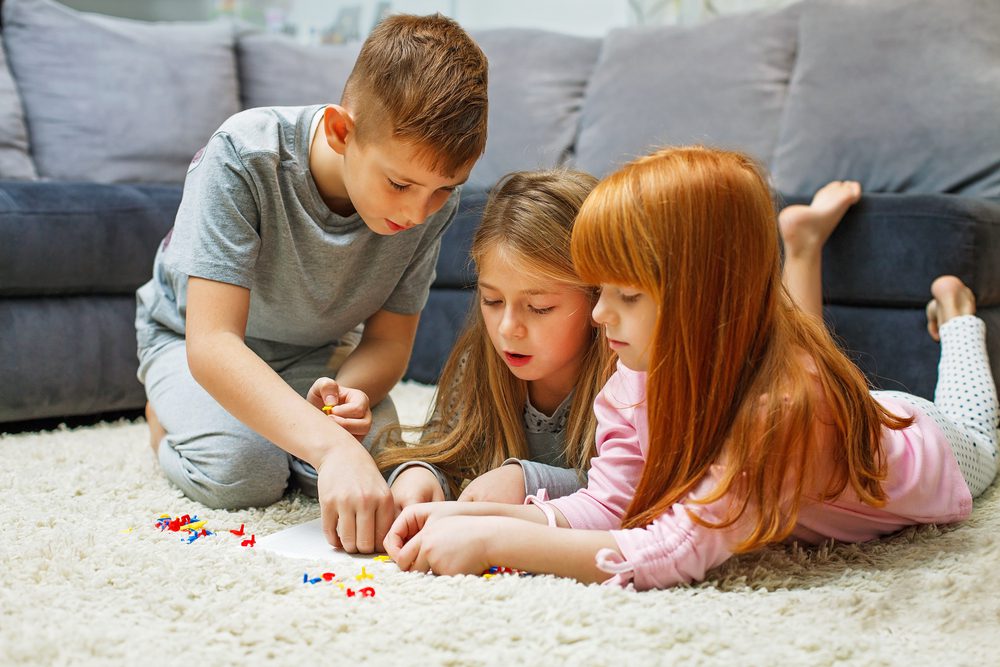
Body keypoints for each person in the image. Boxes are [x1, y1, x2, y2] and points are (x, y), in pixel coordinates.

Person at [383, 146, 998, 589]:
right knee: (823, 375)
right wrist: (457, 514)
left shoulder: (778, 415)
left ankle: (959, 321)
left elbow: (674, 551)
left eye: (626, 297)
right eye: (600, 292)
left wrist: (496, 541)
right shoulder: (633, 379)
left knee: (979, 432)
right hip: (829, 416)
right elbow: (611, 506)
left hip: (925, 441)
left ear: (702, 300)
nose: (599, 316)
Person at [134, 14, 488, 554]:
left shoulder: (428, 201)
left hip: (319, 353)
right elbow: (212, 344)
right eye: (400, 183)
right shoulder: (243, 156)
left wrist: (353, 392)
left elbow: (388, 341)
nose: (419, 211)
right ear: (341, 131)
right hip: (192, 343)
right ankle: (165, 419)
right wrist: (328, 449)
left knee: (384, 471)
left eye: (444, 189)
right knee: (245, 474)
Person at [373, 170, 614, 511]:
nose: (507, 328)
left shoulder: (627, 376)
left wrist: (527, 479)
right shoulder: (478, 360)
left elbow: (635, 486)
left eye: (539, 308)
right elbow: (445, 449)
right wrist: (420, 473)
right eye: (493, 301)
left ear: (598, 298)